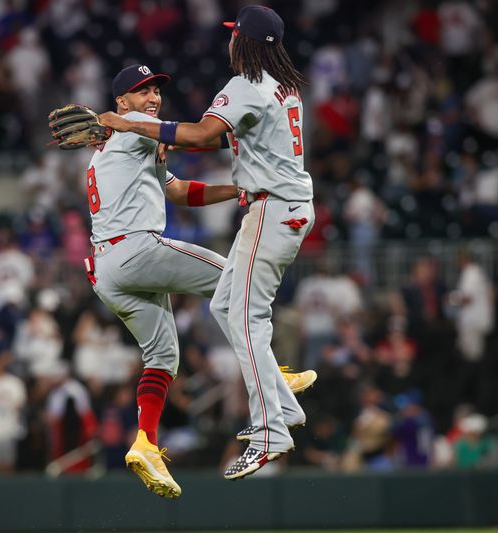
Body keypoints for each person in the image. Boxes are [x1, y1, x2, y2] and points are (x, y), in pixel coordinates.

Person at [52, 61, 315, 496]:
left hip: (107, 271)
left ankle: (145, 444)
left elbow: (179, 192)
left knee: (163, 357)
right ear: (122, 101)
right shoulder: (133, 124)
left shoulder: (124, 143)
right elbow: (198, 136)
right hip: (136, 249)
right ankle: (272, 378)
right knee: (234, 281)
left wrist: (239, 190)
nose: (152, 98)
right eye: (141, 92)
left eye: (156, 90)